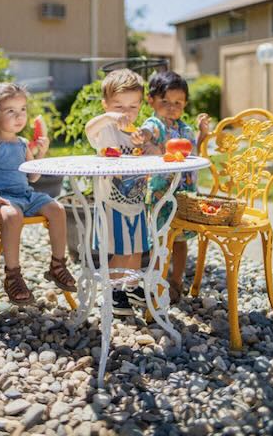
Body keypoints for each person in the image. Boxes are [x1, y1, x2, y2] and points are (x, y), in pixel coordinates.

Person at [0, 82, 76, 305]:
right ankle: (13, 276)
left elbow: (33, 177)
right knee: (12, 216)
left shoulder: (21, 144)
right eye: (11, 111)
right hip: (0, 197)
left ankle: (58, 265)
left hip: (25, 195)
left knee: (57, 209)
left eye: (23, 110)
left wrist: (41, 154)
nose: (19, 116)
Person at [136, 71, 210, 303]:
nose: (171, 107)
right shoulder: (155, 124)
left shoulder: (185, 129)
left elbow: (192, 151)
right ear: (152, 101)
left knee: (180, 240)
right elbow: (148, 132)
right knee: (160, 239)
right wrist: (144, 138)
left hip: (185, 195)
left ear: (185, 104)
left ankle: (176, 282)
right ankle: (157, 281)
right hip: (161, 196)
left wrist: (202, 134)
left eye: (177, 103)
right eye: (165, 101)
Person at [85, 69, 150, 316]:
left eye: (133, 106)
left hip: (136, 200)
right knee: (120, 251)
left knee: (137, 250)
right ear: (106, 106)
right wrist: (108, 117)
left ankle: (131, 287)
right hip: (111, 202)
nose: (126, 112)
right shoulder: (105, 130)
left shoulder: (137, 133)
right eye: (118, 106)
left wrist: (145, 144)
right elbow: (89, 128)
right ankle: (112, 292)